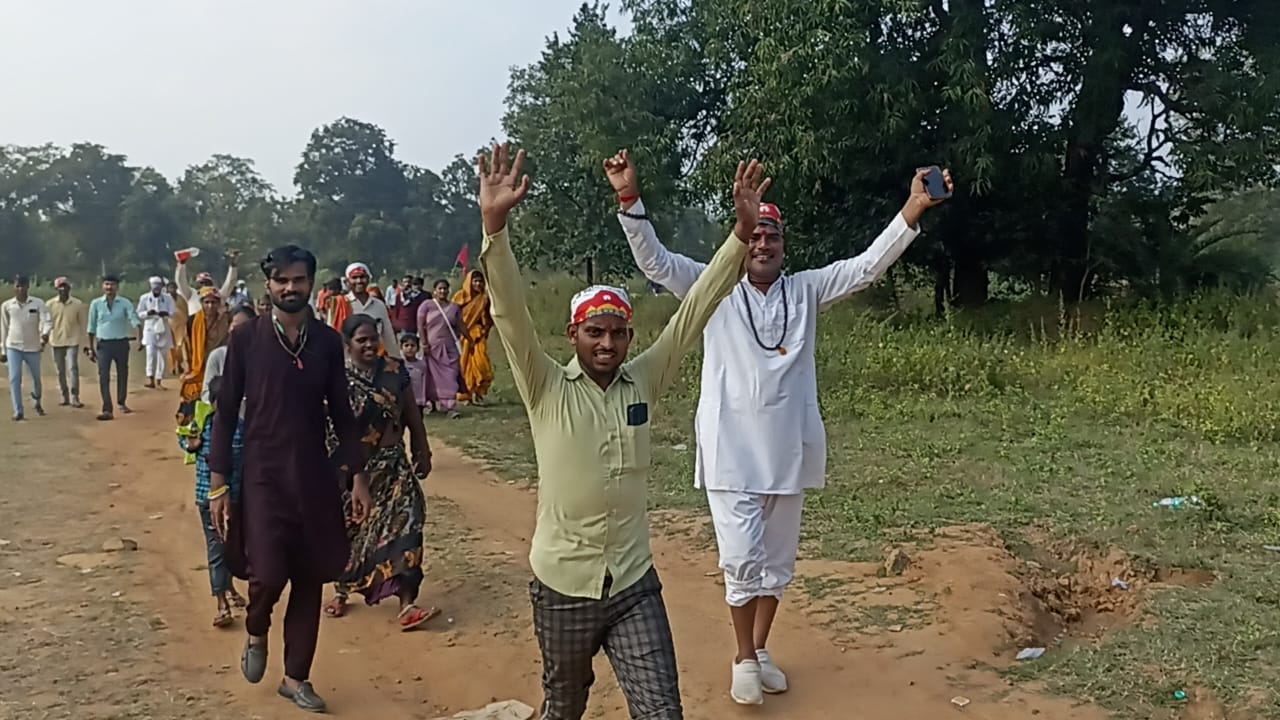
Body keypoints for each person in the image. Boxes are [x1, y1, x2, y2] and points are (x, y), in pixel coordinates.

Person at [606, 148, 954, 704]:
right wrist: (629, 198)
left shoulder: (807, 290)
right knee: (741, 559)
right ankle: (743, 657)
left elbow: (868, 266)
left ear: (783, 245)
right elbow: (656, 263)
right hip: (731, 452)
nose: (763, 244)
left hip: (789, 447)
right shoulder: (714, 287)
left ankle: (759, 648)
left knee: (777, 565)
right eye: (755, 235)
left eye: (772, 236)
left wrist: (913, 207)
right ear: (743, 240)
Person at [478, 143, 760, 720]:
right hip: (562, 588)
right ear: (573, 335)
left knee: (662, 712)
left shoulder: (644, 380)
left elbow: (695, 310)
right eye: (595, 333)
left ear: (630, 337)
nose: (607, 344)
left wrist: (740, 234)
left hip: (633, 584)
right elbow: (508, 311)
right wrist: (495, 228)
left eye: (618, 333)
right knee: (564, 708)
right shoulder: (544, 385)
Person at [207, 244, 371, 713]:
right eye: (282, 280)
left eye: (298, 279)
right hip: (263, 476)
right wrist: (219, 483)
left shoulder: (326, 342)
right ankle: (256, 628)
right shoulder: (246, 340)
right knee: (267, 573)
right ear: (269, 285)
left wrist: (357, 475)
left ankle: (296, 678)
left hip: (314, 475)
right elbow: (225, 414)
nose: (290, 287)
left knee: (309, 576)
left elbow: (342, 413)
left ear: (311, 283)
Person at [322, 316, 437, 630]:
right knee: (351, 531)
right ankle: (342, 590)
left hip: (394, 466)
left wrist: (422, 448)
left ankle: (407, 603)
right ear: (348, 344)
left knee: (409, 523)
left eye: (374, 338)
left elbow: (411, 412)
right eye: (362, 340)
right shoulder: (337, 378)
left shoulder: (395, 371)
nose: (370, 345)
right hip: (353, 470)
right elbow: (329, 427)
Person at [178, 373, 248, 628]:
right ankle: (221, 602)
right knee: (217, 549)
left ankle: (227, 589)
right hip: (210, 499)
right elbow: (183, 438)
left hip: (235, 498)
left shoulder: (242, 427)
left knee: (231, 547)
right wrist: (190, 445)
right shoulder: (204, 425)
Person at [87, 274, 142, 421]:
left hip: (121, 343)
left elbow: (134, 319)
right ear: (103, 286)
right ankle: (107, 409)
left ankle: (121, 402)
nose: (109, 287)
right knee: (103, 375)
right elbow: (91, 327)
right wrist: (91, 348)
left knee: (122, 373)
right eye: (106, 284)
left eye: (112, 284)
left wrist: (139, 337)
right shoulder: (96, 303)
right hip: (103, 344)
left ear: (117, 287)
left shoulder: (124, 303)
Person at [0, 275, 52, 421]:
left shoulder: (38, 303)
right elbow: (4, 328)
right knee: (14, 378)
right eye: (18, 286)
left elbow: (47, 321)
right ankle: (18, 411)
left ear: (28, 287)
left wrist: (45, 334)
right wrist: (2, 350)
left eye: (23, 286)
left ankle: (37, 401)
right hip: (13, 346)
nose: (20, 289)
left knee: (36, 378)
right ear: (14, 287)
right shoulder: (7, 305)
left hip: (33, 346)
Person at [326, 263, 402, 359]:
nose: (359, 281)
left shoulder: (379, 305)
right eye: (354, 278)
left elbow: (388, 336)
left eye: (362, 277)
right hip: (346, 360)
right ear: (347, 282)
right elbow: (330, 336)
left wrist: (395, 359)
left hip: (374, 359)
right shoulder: (338, 305)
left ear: (368, 279)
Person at [178, 287, 231, 422]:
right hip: (197, 369)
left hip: (218, 367)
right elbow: (186, 345)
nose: (210, 306)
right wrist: (187, 366)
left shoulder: (226, 321)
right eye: (207, 302)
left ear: (218, 303)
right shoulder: (192, 321)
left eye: (213, 302)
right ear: (201, 303)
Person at [416, 279, 463, 418]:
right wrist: (424, 343)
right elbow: (420, 325)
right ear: (434, 290)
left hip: (449, 348)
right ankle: (433, 403)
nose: (442, 291)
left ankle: (450, 406)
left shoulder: (454, 307)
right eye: (440, 288)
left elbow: (460, 325)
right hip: (432, 348)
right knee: (431, 377)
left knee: (451, 376)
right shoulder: (426, 305)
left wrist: (469, 340)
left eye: (445, 288)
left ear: (449, 290)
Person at [452, 269, 494, 406]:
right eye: (475, 281)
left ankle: (478, 394)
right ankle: (467, 395)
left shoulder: (484, 299)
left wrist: (485, 329)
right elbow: (451, 315)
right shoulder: (460, 296)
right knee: (464, 365)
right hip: (462, 336)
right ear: (469, 282)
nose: (478, 284)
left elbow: (488, 318)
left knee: (481, 364)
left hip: (478, 336)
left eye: (480, 281)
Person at [201, 305, 257, 404]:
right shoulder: (218, 356)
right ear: (229, 328)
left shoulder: (262, 357)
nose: (240, 331)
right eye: (236, 327)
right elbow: (206, 394)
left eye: (245, 327)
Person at [47, 277, 88, 408]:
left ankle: (75, 397)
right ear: (56, 289)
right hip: (56, 340)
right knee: (60, 370)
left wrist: (86, 343)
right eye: (60, 287)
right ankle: (64, 396)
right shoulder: (49, 304)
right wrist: (43, 338)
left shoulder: (77, 304)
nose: (63, 289)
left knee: (72, 368)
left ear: (69, 288)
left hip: (72, 340)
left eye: (65, 286)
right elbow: (46, 323)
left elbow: (83, 324)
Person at [137, 276, 177, 389]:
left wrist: (166, 314)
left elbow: (173, 312)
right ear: (151, 286)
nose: (156, 288)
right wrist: (147, 313)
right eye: (154, 286)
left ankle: (159, 380)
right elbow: (139, 313)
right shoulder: (144, 298)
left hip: (163, 327)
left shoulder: (168, 298)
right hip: (150, 328)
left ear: (161, 286)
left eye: (158, 286)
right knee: (150, 354)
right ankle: (151, 379)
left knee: (162, 356)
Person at [175, 250, 239, 317]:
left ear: (211, 284)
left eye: (207, 282)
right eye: (201, 283)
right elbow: (180, 281)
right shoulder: (191, 294)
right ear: (197, 284)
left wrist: (233, 264)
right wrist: (181, 264)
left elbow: (230, 282)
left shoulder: (218, 296)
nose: (204, 285)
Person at [399, 333, 431, 414]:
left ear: (418, 348)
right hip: (403, 400)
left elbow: (425, 382)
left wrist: (426, 398)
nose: (409, 348)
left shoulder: (422, 365)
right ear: (401, 348)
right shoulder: (400, 365)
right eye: (406, 345)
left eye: (412, 345)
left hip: (418, 400)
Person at [167, 281, 190, 378]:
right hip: (169, 324)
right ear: (167, 289)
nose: (172, 290)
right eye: (170, 288)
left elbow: (186, 311)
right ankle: (172, 367)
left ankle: (180, 364)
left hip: (181, 324)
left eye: (174, 288)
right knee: (170, 347)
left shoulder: (181, 298)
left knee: (180, 345)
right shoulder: (165, 299)